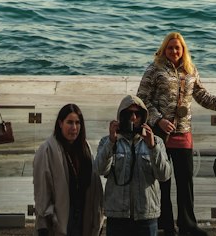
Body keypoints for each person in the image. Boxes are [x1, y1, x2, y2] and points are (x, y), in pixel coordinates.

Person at [138, 32, 216, 236]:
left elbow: (202, 96)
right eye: (170, 48)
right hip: (160, 135)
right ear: (164, 49)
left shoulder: (190, 70)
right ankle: (165, 226)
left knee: (185, 182)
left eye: (177, 48)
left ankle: (188, 225)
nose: (174, 51)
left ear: (183, 49)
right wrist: (159, 120)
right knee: (162, 182)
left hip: (183, 134)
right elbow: (142, 99)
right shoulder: (154, 69)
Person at [95, 93, 171, 236]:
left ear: (144, 117)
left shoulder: (156, 141)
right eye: (129, 114)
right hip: (117, 216)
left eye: (137, 114)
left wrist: (152, 147)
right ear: (121, 116)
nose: (133, 118)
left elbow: (164, 176)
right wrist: (111, 143)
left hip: (146, 216)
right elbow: (99, 169)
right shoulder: (108, 141)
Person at [34, 102, 104, 236]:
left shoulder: (85, 149)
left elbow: (95, 185)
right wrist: (44, 224)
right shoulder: (47, 150)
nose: (74, 127)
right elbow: (42, 192)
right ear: (60, 123)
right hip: (59, 221)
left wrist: (98, 217)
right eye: (70, 122)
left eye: (78, 123)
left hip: (83, 217)